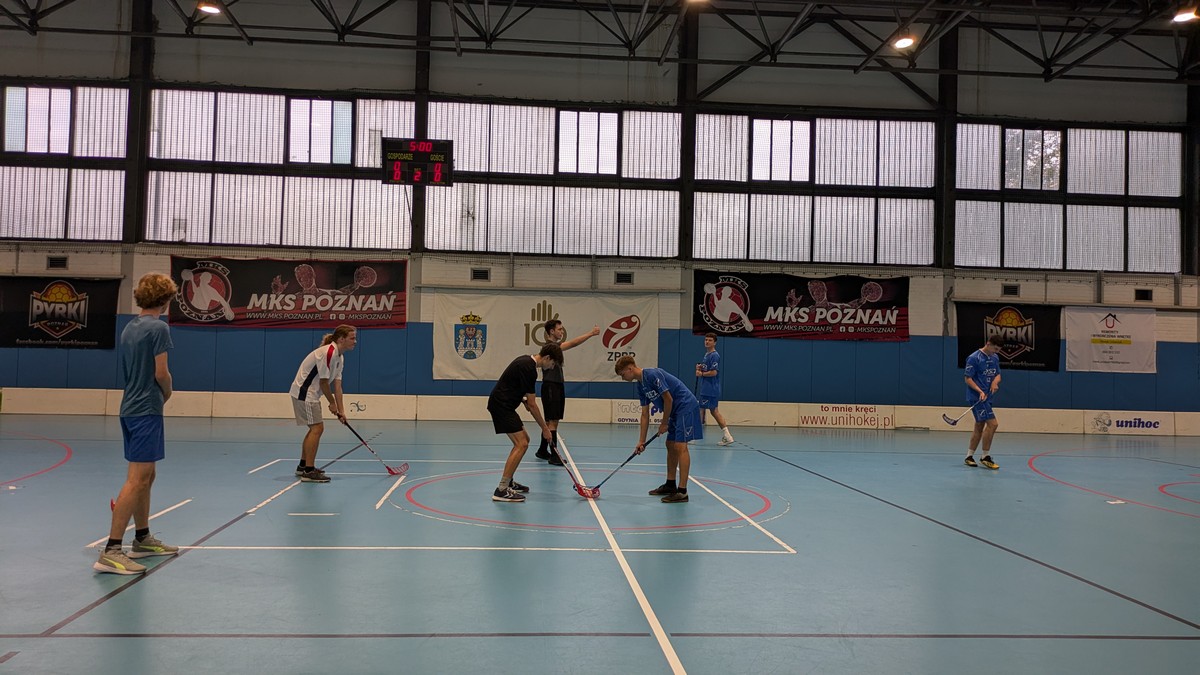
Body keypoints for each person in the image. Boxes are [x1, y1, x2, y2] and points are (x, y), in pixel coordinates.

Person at [94, 273, 180, 575]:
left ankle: (142, 538)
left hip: (130, 408)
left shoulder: (130, 327)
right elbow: (161, 372)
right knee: (137, 479)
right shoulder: (159, 328)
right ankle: (112, 550)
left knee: (147, 475)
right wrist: (168, 391)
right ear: (165, 299)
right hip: (146, 409)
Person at [615, 355, 702, 503]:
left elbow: (668, 399)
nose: (623, 378)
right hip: (675, 411)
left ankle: (682, 492)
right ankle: (670, 485)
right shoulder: (640, 385)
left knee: (680, 446)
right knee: (670, 444)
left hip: (685, 406)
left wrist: (664, 422)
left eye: (623, 374)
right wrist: (641, 441)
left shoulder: (652, 374)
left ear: (630, 368)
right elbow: (644, 414)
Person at [487, 344, 563, 502]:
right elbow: (533, 404)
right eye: (553, 364)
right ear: (547, 357)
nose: (552, 367)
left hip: (505, 405)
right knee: (521, 444)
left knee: (524, 440)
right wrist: (545, 429)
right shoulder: (529, 368)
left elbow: (512, 386)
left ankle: (509, 482)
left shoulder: (526, 362)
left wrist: (523, 401)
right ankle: (501, 489)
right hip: (502, 406)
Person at [289, 325, 357, 482]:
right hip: (304, 393)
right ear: (341, 339)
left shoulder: (340, 357)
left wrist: (342, 411)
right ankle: (309, 471)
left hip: (310, 394)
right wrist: (332, 404)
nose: (355, 341)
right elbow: (324, 383)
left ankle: (303, 466)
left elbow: (338, 387)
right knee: (317, 428)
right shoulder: (329, 353)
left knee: (315, 428)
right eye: (352, 338)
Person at [534, 320, 600, 465]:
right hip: (551, 386)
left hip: (555, 386)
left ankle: (542, 450)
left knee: (550, 421)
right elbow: (573, 343)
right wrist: (591, 333)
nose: (561, 332)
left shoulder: (552, 347)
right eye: (559, 329)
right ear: (551, 331)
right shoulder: (551, 347)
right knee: (553, 422)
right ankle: (554, 455)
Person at [964, 334, 1003, 470]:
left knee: (979, 425)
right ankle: (985, 457)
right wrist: (979, 391)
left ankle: (969, 456)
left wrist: (995, 382)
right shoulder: (974, 358)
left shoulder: (995, 357)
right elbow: (968, 379)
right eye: (995, 349)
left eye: (998, 350)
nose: (996, 352)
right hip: (977, 397)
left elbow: (998, 374)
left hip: (988, 397)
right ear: (988, 344)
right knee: (993, 424)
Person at [695, 332, 735, 446]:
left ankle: (693, 435)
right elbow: (707, 369)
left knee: (701, 409)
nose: (707, 342)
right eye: (706, 340)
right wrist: (700, 368)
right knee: (713, 411)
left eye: (710, 340)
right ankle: (727, 436)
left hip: (710, 388)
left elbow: (713, 372)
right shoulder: (707, 355)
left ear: (715, 342)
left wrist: (702, 374)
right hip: (707, 387)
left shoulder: (714, 355)